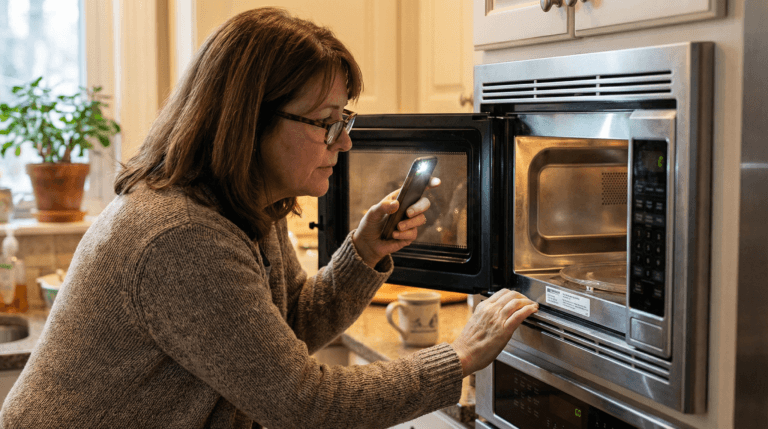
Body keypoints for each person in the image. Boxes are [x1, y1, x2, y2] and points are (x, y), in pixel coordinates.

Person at [0, 7, 538, 429]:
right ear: (249, 120)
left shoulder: (245, 204)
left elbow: (287, 327)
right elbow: (304, 406)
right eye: (327, 123)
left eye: (343, 120)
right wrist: (458, 356)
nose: (344, 142)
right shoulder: (180, 237)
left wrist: (363, 253)